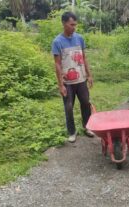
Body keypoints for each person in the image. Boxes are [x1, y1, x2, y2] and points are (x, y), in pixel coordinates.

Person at [52, 11, 94, 143]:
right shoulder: (57, 41)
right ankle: (72, 131)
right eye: (71, 24)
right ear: (64, 23)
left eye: (75, 25)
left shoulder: (79, 38)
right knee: (69, 106)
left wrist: (89, 74)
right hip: (67, 82)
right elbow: (57, 64)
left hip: (81, 79)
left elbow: (84, 58)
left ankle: (87, 127)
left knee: (86, 103)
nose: (74, 27)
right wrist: (60, 85)